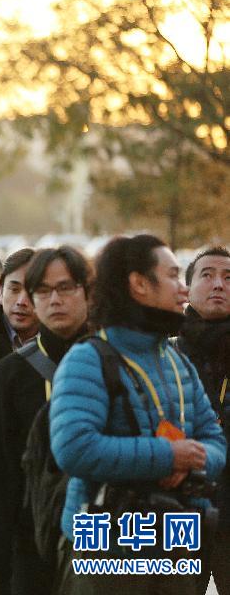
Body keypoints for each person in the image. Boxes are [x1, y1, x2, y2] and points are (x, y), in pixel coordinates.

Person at [50, 235, 226, 594]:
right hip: (108, 547)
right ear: (139, 285)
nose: (182, 290)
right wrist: (167, 457)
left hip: (176, 543)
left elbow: (214, 440)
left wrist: (192, 461)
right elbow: (75, 448)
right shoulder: (89, 358)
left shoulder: (175, 360)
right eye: (174, 276)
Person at [0, 246, 91, 594]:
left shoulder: (114, 361)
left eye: (65, 288)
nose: (53, 299)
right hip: (30, 543)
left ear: (89, 292)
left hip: (102, 540)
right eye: (42, 290)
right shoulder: (9, 373)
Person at [176, 246, 230, 594]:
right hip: (180, 510)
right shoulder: (164, 354)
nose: (218, 285)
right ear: (188, 289)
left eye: (228, 278)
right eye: (207, 275)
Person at [0, 247, 38, 390]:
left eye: (32, 291)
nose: (21, 301)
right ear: (1, 290)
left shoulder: (64, 340)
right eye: (14, 290)